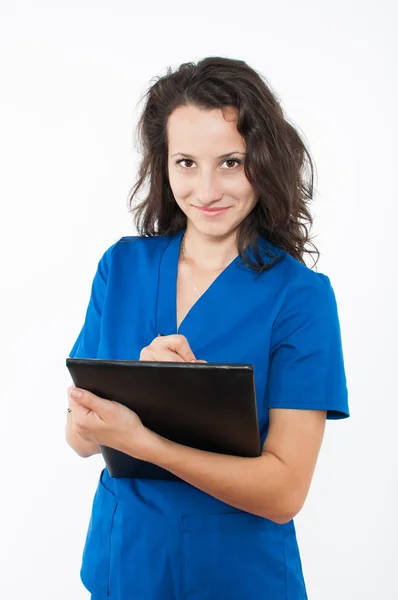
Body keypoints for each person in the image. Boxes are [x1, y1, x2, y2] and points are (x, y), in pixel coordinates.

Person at [66, 56, 349, 600]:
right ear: (163, 165)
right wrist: (136, 383)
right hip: (125, 564)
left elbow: (285, 490)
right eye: (186, 163)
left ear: (263, 161)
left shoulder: (300, 297)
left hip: (235, 575)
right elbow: (77, 437)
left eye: (231, 162)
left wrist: (145, 441)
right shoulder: (121, 267)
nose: (207, 189)